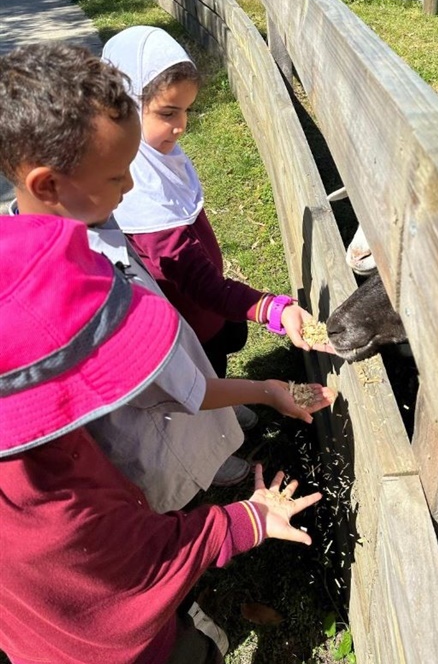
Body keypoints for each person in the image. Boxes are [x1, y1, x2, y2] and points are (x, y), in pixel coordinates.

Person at [0, 42, 334, 515]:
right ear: (48, 185)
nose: (131, 186)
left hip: (170, 386)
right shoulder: (92, 303)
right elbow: (182, 390)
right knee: (171, 486)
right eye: (117, 177)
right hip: (146, 445)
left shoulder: (70, 221)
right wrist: (266, 389)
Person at [0, 214, 323, 664]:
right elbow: (144, 560)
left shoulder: (34, 453)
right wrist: (248, 518)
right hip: (124, 648)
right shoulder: (53, 511)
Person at [103, 26, 332, 377]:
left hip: (208, 304)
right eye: (168, 113)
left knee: (223, 347)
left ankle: (226, 400)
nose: (181, 126)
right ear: (128, 104)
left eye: (186, 112)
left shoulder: (160, 160)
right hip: (189, 319)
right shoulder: (139, 189)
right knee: (207, 370)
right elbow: (196, 281)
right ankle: (223, 411)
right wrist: (272, 309)